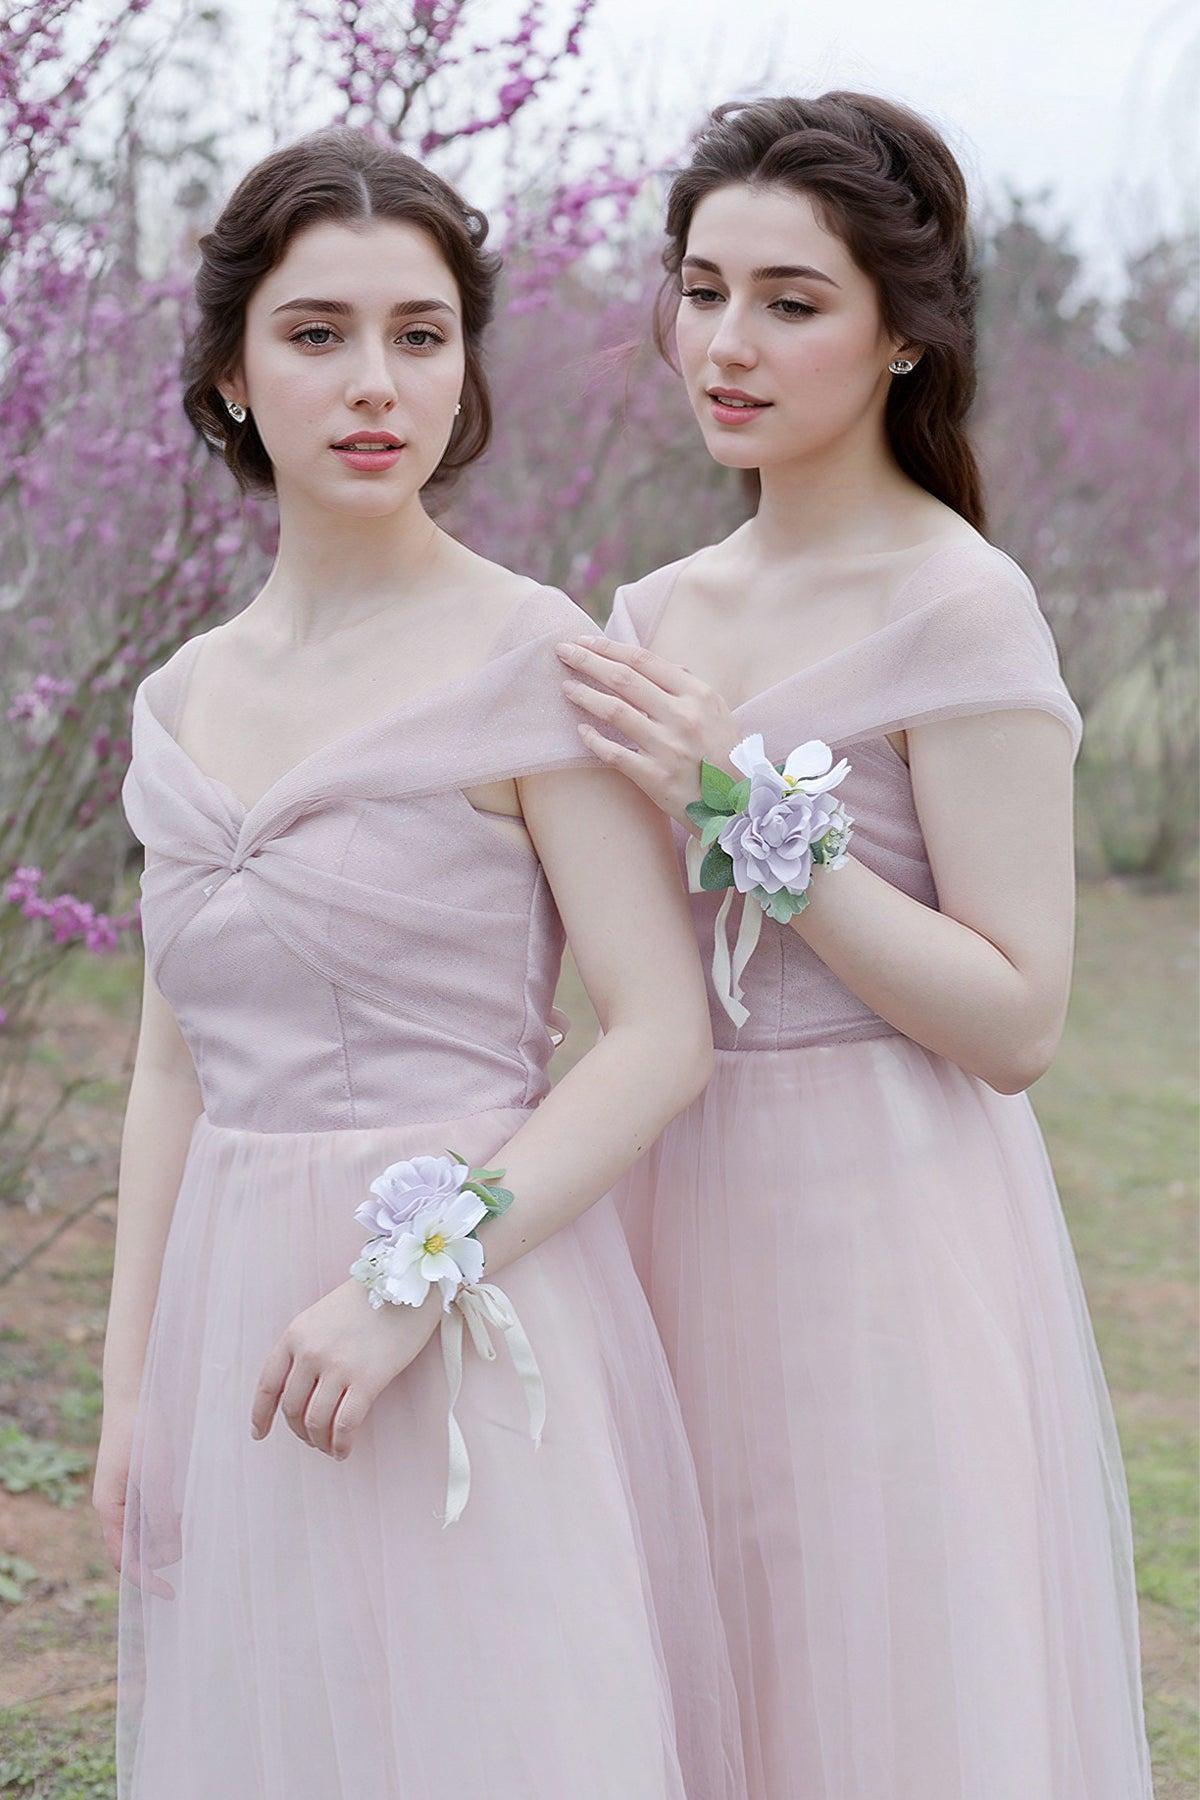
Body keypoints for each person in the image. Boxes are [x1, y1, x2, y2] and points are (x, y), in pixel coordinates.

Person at [94, 125, 746, 1800]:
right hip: (234, 1326)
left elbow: (658, 1034)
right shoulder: (175, 704)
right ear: (233, 375)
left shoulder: (539, 657)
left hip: (467, 1320)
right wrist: (131, 1392)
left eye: (420, 333)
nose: (373, 381)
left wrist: (412, 1285)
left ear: (463, 373)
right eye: (317, 335)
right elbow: (174, 1065)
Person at [558, 92, 1154, 1800]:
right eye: (699, 289)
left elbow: (1018, 1014)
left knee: (872, 1688)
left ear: (903, 335)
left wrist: (737, 800)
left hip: (885, 1229)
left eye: (791, 302)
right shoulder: (654, 613)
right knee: (690, 1665)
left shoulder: (957, 602)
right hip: (671, 1195)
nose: (724, 345)